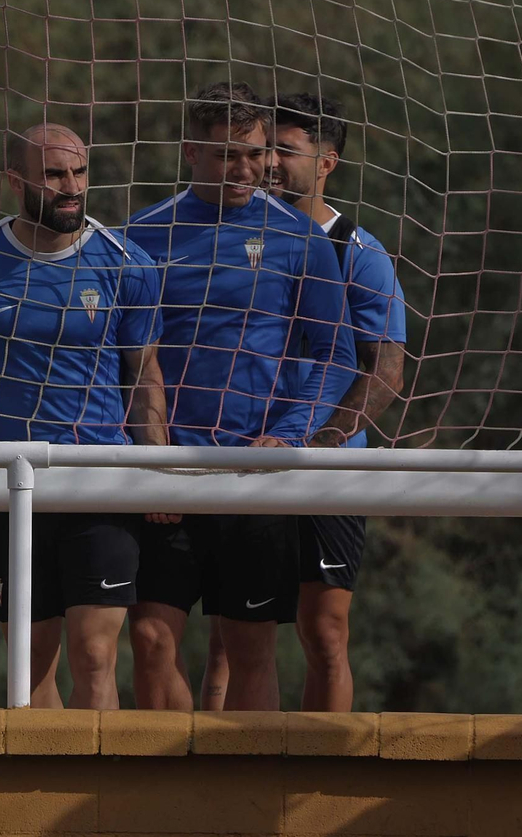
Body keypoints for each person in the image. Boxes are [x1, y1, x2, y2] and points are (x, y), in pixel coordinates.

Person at [125, 82, 355, 712]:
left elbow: (338, 355)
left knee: (249, 648)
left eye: (257, 154)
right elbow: (120, 357)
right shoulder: (140, 237)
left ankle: (247, 796)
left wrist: (289, 436)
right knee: (150, 639)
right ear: (190, 151)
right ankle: (161, 790)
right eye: (229, 155)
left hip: (257, 471)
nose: (249, 169)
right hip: (166, 470)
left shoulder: (298, 239)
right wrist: (148, 448)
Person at [0, 123, 169, 710]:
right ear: (16, 181)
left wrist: (161, 466)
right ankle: (39, 798)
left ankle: (106, 798)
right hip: (16, 486)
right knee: (29, 665)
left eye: (80, 172)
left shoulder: (126, 265)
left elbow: (144, 377)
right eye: (55, 174)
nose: (72, 187)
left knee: (95, 656)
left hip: (99, 482)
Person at [268, 92, 406, 711]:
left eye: (285, 150)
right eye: (263, 147)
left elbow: (385, 371)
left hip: (329, 464)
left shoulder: (361, 252)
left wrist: (316, 444)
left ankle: (321, 775)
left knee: (324, 632)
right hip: (243, 448)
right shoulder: (244, 240)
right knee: (231, 637)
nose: (269, 162)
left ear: (326, 163)